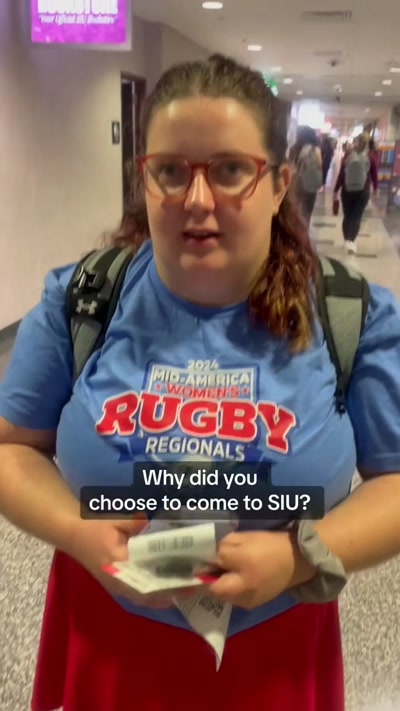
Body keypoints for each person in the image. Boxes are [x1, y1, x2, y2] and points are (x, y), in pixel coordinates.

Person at [1, 53, 400, 711]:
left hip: (272, 653)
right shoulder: (82, 300)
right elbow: (12, 446)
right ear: (144, 179)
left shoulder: (351, 313)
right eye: (170, 171)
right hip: (111, 639)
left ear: (278, 184)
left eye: (230, 170)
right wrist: (75, 530)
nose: (196, 199)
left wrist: (301, 557)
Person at [333, 134, 378, 254]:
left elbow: (342, 174)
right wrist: (375, 189)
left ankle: (346, 240)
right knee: (356, 216)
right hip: (363, 191)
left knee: (347, 216)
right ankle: (351, 241)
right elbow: (374, 175)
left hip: (347, 190)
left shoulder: (348, 155)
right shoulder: (371, 156)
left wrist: (336, 190)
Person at [289, 126, 323, 227]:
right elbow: (320, 165)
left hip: (296, 183)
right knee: (308, 209)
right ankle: (305, 228)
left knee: (296, 208)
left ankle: (294, 228)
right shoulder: (316, 149)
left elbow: (290, 165)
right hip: (310, 184)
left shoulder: (294, 149)